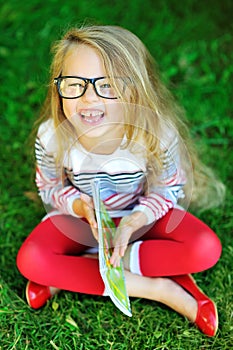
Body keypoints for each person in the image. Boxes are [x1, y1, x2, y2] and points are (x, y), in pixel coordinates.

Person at [16, 25, 225, 337]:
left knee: (205, 248)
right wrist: (77, 204)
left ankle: (80, 268)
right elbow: (49, 187)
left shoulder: (157, 134)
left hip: (141, 216)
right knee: (31, 259)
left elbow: (167, 189)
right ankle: (161, 290)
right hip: (83, 221)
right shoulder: (52, 136)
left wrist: (135, 221)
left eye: (108, 85)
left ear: (134, 90)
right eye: (74, 85)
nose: (89, 99)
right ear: (58, 88)